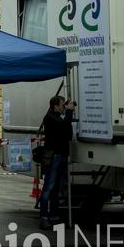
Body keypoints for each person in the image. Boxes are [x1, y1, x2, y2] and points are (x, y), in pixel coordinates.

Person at [39, 95, 75, 228]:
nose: (63, 107)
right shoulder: (49, 118)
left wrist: (67, 114)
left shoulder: (58, 117)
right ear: (55, 106)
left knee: (56, 188)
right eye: (62, 105)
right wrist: (69, 111)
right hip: (54, 157)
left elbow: (68, 134)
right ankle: (43, 217)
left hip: (61, 156)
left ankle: (53, 215)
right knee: (49, 187)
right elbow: (64, 127)